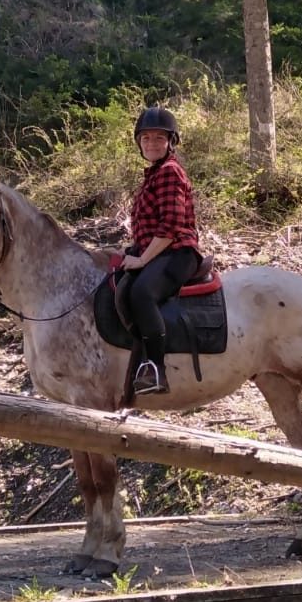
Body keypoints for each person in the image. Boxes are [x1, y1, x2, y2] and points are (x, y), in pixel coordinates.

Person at [116, 106, 200, 395]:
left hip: (178, 252)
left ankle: (155, 369)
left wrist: (141, 259)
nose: (152, 143)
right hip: (159, 250)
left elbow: (171, 226)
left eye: (159, 138)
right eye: (146, 138)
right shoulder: (152, 175)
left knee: (142, 293)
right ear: (139, 143)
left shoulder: (169, 172)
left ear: (171, 142)